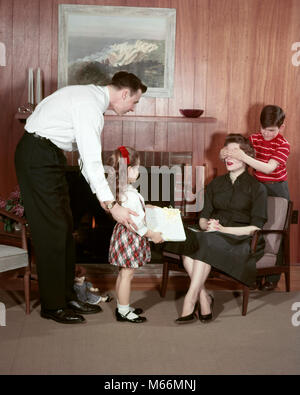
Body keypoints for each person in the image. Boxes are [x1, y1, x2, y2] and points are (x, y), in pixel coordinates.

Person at [15, 71, 147, 324]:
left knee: (64, 228)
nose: (132, 108)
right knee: (52, 232)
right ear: (125, 93)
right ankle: (53, 306)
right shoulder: (89, 106)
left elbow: (88, 165)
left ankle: (66, 297)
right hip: (37, 157)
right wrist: (112, 205)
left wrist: (106, 199)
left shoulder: (89, 98)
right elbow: (91, 162)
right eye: (134, 102)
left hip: (49, 156)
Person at [175, 134, 268, 324]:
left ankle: (190, 300)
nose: (228, 158)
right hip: (213, 235)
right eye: (226, 154)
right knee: (189, 240)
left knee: (204, 243)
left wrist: (223, 230)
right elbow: (203, 217)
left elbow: (255, 228)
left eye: (234, 153)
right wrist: (207, 225)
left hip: (242, 240)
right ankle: (204, 298)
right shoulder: (215, 183)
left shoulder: (257, 188)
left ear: (246, 156)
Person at [221, 105, 290, 290]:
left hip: (277, 189)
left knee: (276, 233)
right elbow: (234, 152)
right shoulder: (254, 138)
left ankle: (271, 279)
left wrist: (243, 155)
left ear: (281, 127)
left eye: (271, 130)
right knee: (254, 227)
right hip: (257, 187)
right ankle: (252, 272)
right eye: (263, 129)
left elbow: (268, 168)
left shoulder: (283, 145)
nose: (266, 134)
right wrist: (226, 152)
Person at [107, 146, 164, 323]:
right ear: (129, 169)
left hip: (124, 235)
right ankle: (123, 311)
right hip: (131, 236)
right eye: (138, 167)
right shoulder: (128, 194)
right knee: (127, 274)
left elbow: (134, 210)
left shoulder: (125, 190)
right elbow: (136, 224)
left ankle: (121, 306)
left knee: (123, 273)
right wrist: (152, 235)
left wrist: (148, 207)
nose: (139, 171)